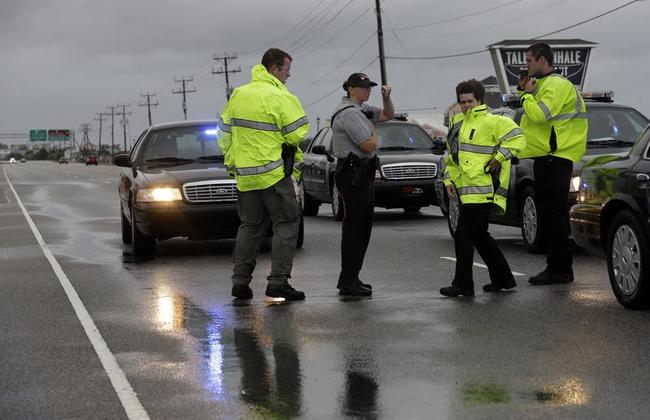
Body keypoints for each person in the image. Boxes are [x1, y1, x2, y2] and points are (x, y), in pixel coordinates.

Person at [218, 48, 309, 300]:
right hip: (274, 174)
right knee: (287, 224)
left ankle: (240, 283)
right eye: (287, 70)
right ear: (274, 69)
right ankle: (278, 282)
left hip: (246, 176)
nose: (289, 75)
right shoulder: (279, 95)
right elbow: (296, 134)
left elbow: (223, 134)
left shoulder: (238, 94)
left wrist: (232, 160)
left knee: (249, 227)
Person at [440, 79, 526, 297]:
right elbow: (452, 157)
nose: (466, 105)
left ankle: (463, 285)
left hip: (484, 190)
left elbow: (518, 139)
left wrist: (498, 158)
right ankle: (504, 279)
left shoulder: (493, 121)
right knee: (480, 236)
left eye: (470, 101)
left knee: (463, 236)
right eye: (462, 102)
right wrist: (449, 181)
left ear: (479, 100)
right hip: (465, 191)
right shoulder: (456, 122)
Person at [517, 43, 588, 285]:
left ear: (542, 60)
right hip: (547, 156)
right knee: (550, 214)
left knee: (554, 215)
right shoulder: (544, 85)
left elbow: (539, 116)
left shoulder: (556, 85)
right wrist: (526, 92)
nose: (525, 65)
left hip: (556, 156)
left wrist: (527, 95)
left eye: (529, 60)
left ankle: (560, 270)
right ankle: (557, 267)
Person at [330, 73, 394, 296]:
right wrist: (375, 133)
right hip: (353, 173)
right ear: (350, 89)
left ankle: (351, 277)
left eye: (369, 87)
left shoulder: (361, 110)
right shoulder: (349, 114)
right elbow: (368, 145)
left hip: (360, 173)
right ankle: (348, 281)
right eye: (363, 87)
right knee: (356, 229)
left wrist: (387, 98)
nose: (368, 91)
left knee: (362, 227)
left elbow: (387, 115)